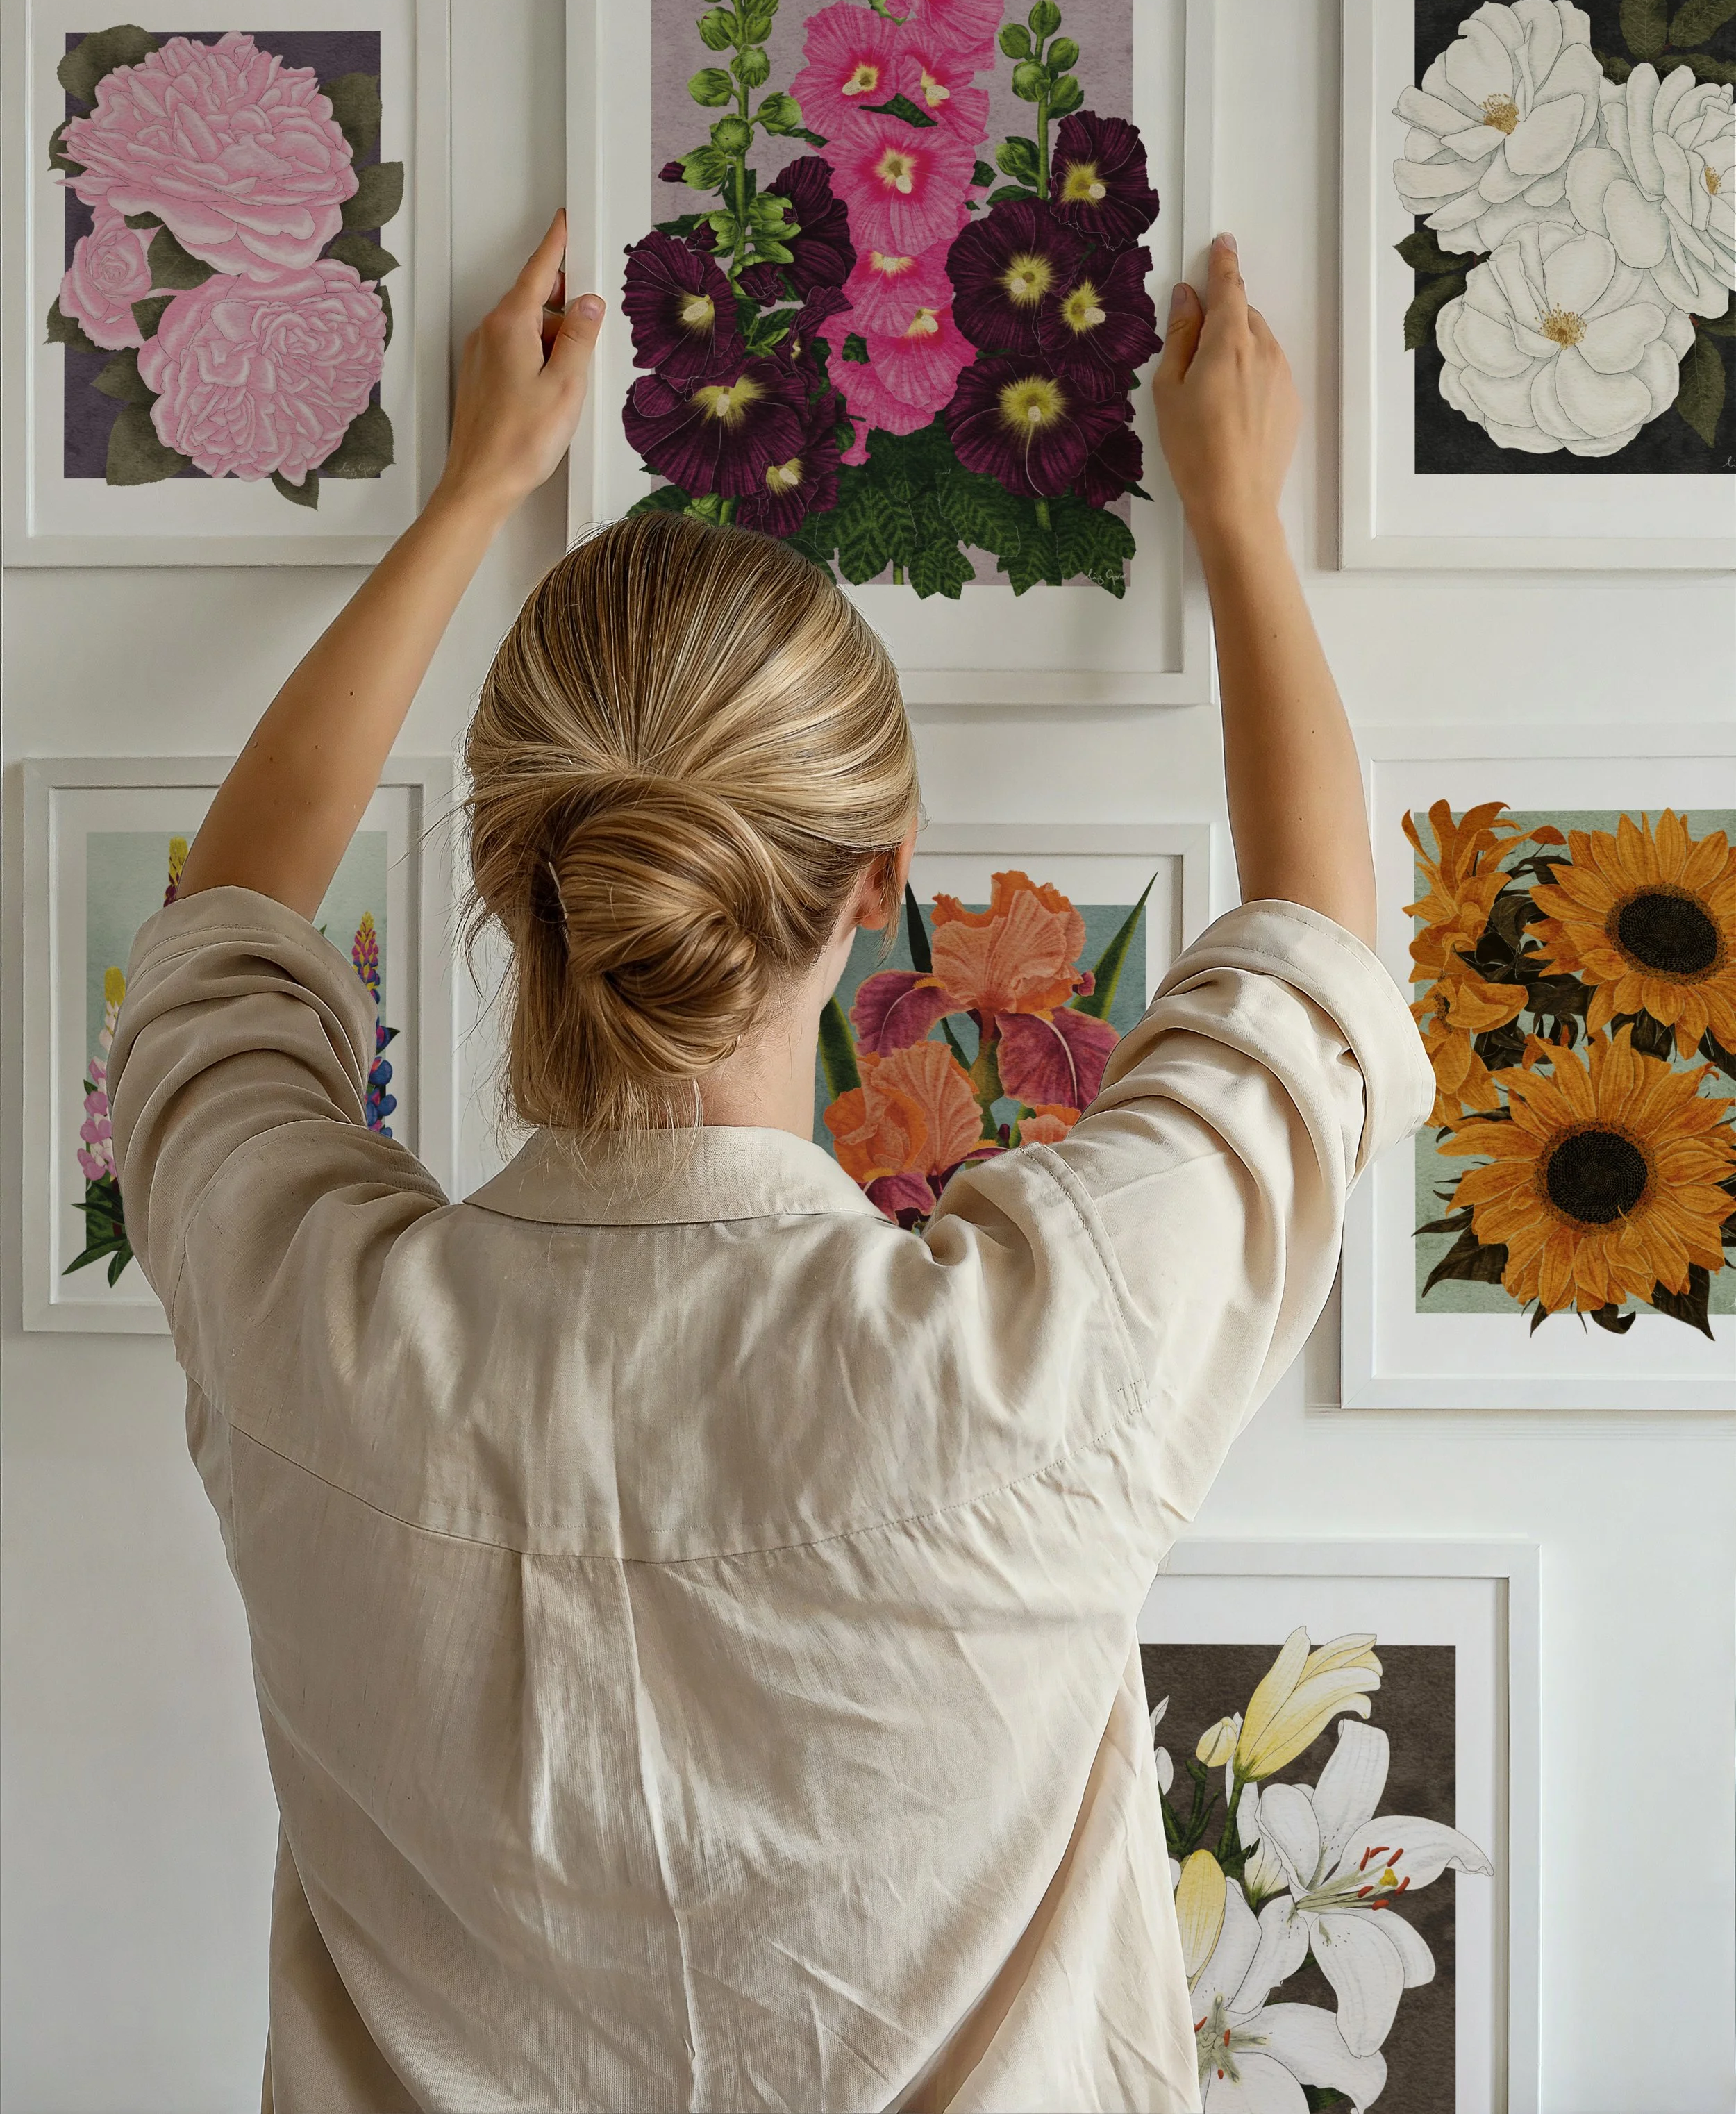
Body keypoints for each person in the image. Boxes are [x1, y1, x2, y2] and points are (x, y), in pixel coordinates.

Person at [108, 217, 1433, 2114]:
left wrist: (469, 495)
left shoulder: (300, 1314)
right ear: (880, 880)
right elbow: (1313, 966)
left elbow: (217, 950)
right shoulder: (1044, 1350)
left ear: (511, 872)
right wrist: (1235, 514)